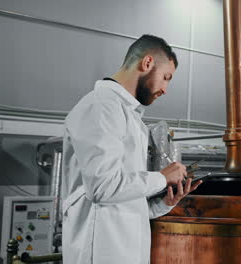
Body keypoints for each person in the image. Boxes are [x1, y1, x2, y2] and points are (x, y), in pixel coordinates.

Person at [61, 34, 201, 264]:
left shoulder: (131, 118)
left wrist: (163, 204)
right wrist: (161, 178)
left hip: (124, 251)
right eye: (166, 77)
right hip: (100, 253)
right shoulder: (101, 106)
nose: (166, 89)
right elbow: (102, 188)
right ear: (147, 63)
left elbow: (126, 202)